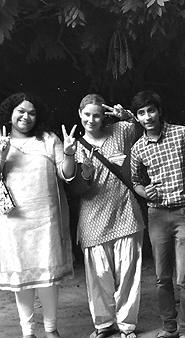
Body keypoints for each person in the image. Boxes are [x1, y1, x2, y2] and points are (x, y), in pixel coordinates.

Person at [130, 90, 185, 338]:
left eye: (151, 110)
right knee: (162, 277)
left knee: (184, 276)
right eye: (141, 113)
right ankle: (169, 327)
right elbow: (135, 182)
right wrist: (146, 192)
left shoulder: (181, 133)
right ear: (137, 118)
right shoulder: (138, 148)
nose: (147, 117)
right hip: (157, 215)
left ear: (159, 111)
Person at [0, 92, 76, 338]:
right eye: (20, 111)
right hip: (14, 221)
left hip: (46, 219)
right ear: (10, 114)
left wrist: (69, 154)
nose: (26, 117)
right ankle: (27, 331)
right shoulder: (2, 142)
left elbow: (66, 175)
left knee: (47, 275)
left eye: (31, 113)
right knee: (21, 275)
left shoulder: (47, 139)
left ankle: (51, 329)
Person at [70, 94, 145, 338]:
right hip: (93, 218)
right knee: (99, 276)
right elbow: (77, 189)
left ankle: (126, 326)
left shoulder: (120, 131)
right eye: (87, 114)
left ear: (104, 117)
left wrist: (126, 115)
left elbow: (141, 126)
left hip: (125, 212)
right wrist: (87, 174)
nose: (91, 120)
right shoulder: (75, 145)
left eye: (97, 115)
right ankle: (104, 325)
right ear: (80, 114)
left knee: (128, 274)